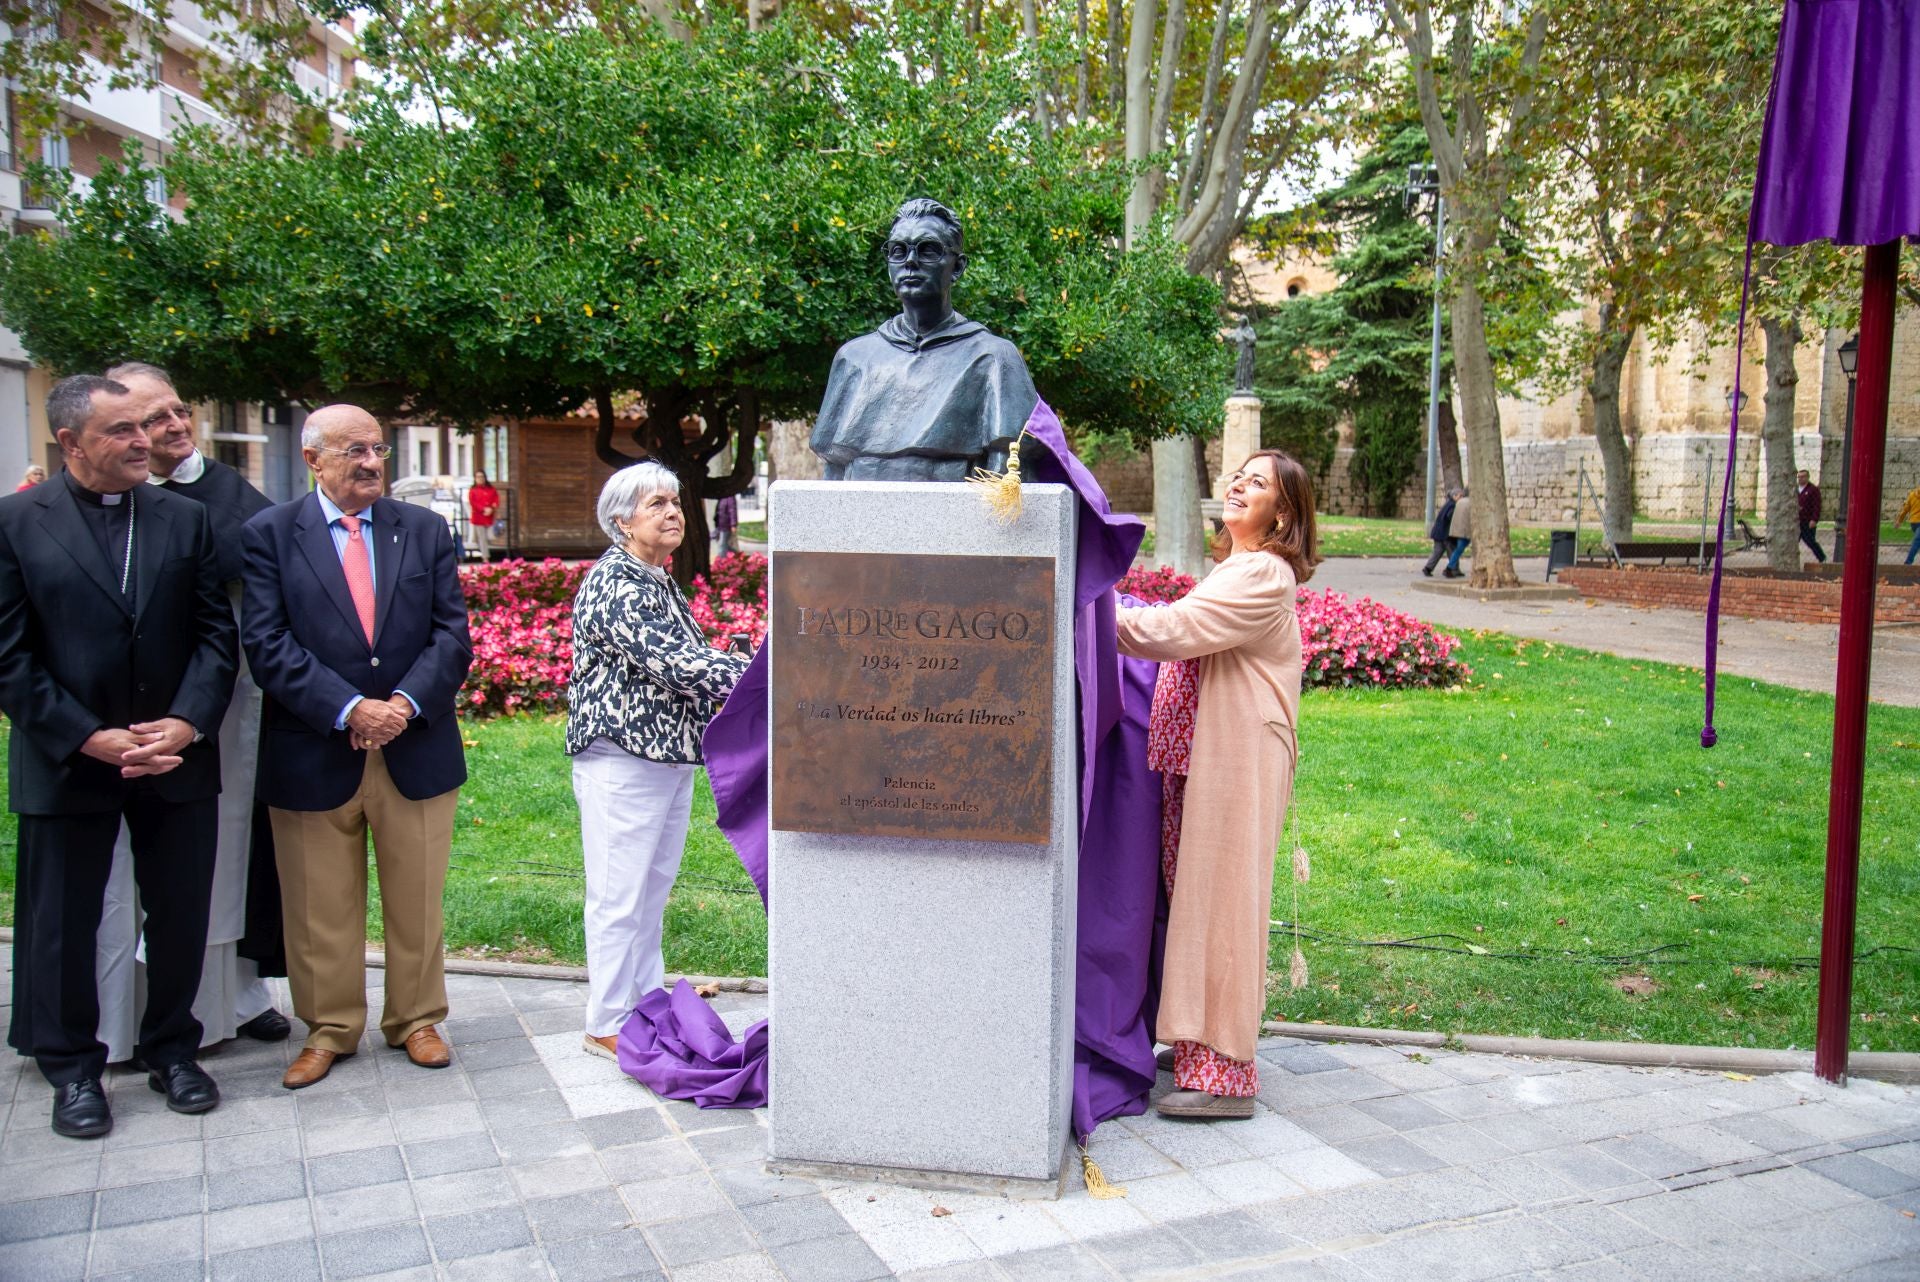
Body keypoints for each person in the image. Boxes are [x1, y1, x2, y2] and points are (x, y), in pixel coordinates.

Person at [0, 375, 236, 1137]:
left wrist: (187, 723)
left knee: (179, 912)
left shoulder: (183, 518)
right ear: (70, 443)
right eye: (122, 432)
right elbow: (10, 657)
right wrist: (85, 735)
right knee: (63, 920)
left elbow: (214, 637)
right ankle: (72, 1068)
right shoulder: (15, 522)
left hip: (175, 757)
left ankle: (174, 1049)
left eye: (146, 427)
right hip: (69, 757)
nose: (145, 442)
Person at [240, 404, 473, 1090]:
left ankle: (417, 1018)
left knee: (417, 896)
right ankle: (330, 1027)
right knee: (319, 905)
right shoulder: (270, 535)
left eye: (378, 450)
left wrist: (399, 706)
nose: (372, 463)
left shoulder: (424, 531)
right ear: (313, 460)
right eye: (354, 451)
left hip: (415, 746)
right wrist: (348, 709)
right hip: (313, 748)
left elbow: (451, 636)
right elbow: (266, 643)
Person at [92, 363, 288, 1063]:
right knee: (115, 871)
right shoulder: (98, 507)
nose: (173, 428)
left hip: (213, 711)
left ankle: (225, 998)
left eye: (177, 412)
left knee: (220, 854)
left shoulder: (223, 492)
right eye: (150, 421)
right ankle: (121, 1014)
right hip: (114, 720)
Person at [1115, 449, 1316, 1120]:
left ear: (1281, 512)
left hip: (1237, 760)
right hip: (1204, 757)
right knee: (1195, 898)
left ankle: (1226, 1071)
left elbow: (1177, 630)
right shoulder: (1241, 566)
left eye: (1256, 484)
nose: (1238, 486)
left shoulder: (1262, 572)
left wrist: (1090, 614)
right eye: (1238, 476)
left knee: (1222, 902)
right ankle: (1199, 1039)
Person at [568, 462, 751, 1059]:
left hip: (664, 760)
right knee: (620, 895)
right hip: (623, 761)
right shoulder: (617, 582)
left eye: (675, 502)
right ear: (622, 520)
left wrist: (734, 660)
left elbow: (686, 658)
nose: (673, 513)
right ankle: (606, 1019)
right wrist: (760, 674)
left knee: (650, 891)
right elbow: (673, 664)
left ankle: (643, 1001)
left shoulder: (653, 578)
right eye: (656, 505)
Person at [810, 197, 1037, 480]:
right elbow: (834, 471)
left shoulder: (994, 359)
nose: (911, 261)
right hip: (863, 517)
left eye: (928, 250)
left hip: (953, 517)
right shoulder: (854, 358)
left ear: (957, 267)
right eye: (898, 251)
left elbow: (1006, 473)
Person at [1423, 488, 1459, 577]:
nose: (1461, 498)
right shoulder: (1452, 505)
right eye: (1460, 496)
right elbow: (1449, 516)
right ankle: (1452, 570)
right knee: (1452, 551)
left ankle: (1428, 568)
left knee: (1438, 551)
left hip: (1439, 532)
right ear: (1454, 496)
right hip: (1445, 533)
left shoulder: (1448, 503)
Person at [467, 469, 499, 563]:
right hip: (478, 517)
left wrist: (492, 508)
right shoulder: (473, 490)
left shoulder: (491, 489)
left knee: (490, 536)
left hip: (489, 516)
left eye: (482, 477)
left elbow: (496, 499)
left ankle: (483, 550)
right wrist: (483, 509)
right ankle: (485, 557)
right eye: (478, 477)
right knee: (483, 537)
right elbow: (473, 503)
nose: (480, 479)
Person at [1797, 470, 1827, 563]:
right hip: (1796, 521)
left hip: (1807, 521)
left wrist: (1814, 519)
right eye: (1799, 477)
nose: (1801, 479)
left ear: (1807, 477)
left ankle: (1822, 558)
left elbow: (1817, 506)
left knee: (1810, 541)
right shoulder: (1795, 489)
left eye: (1803, 476)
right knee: (1792, 542)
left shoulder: (1813, 489)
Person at [1444, 486, 1472, 578]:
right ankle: (1449, 568)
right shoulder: (1470, 503)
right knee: (1459, 549)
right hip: (1464, 531)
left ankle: (1451, 568)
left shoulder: (1460, 502)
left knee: (1458, 549)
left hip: (1457, 530)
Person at [713, 492, 738, 558]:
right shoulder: (721, 497)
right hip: (720, 525)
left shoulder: (730, 497)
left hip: (726, 526)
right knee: (724, 544)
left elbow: (732, 510)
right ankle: (737, 555)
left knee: (722, 544)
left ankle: (721, 561)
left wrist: (733, 525)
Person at [1901, 485, 1920, 566]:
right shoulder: (1912, 495)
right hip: (1916, 523)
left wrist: (1900, 520)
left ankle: (1908, 562)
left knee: (1917, 541)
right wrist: (1899, 520)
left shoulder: (1912, 494)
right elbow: (1906, 508)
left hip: (1914, 523)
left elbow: (1905, 509)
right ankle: (1908, 563)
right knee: (1917, 541)